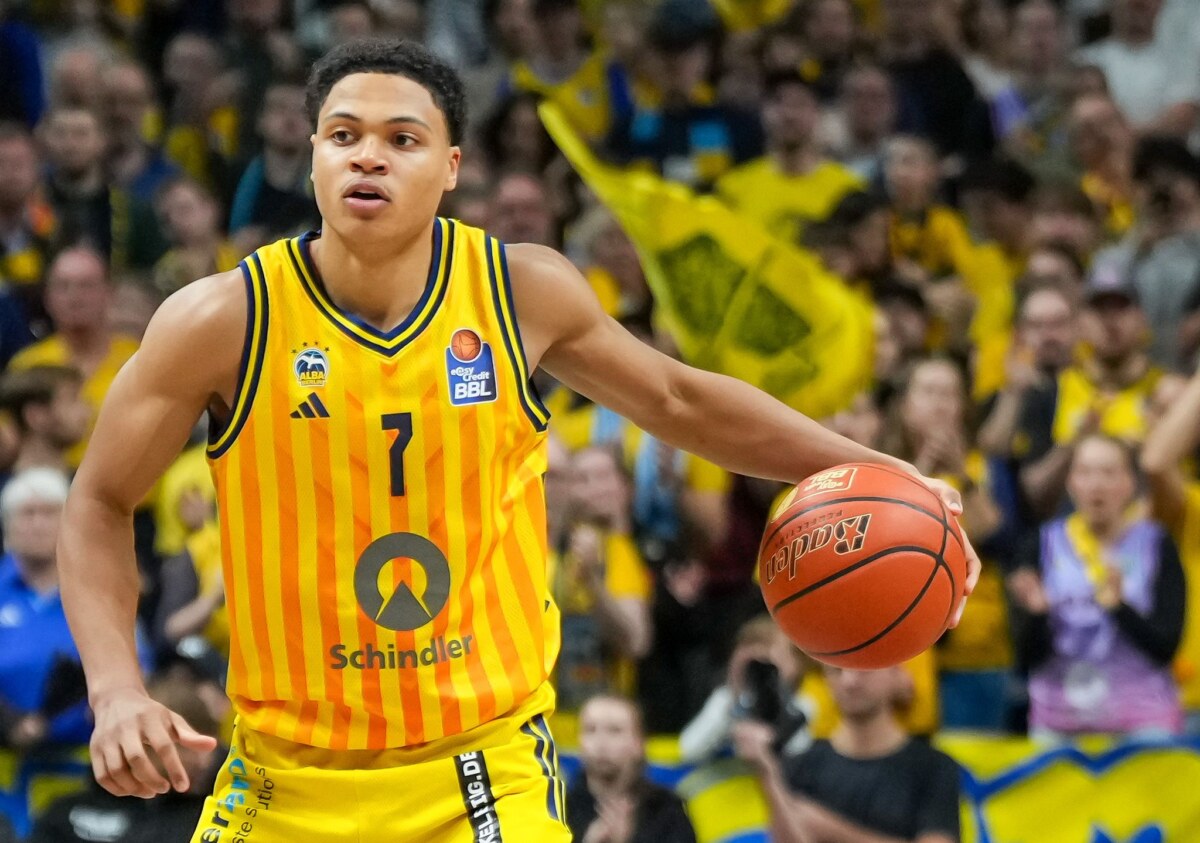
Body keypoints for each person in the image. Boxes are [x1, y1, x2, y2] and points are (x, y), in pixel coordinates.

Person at [59, 39, 977, 842]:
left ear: (452, 166)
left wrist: (884, 470)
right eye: (343, 135)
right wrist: (116, 689)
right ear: (312, 157)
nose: (368, 155)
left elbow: (680, 400)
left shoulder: (519, 293)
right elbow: (98, 500)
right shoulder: (223, 319)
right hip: (285, 773)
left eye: (402, 138)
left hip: (480, 767)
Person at [1010, 434, 1184, 738]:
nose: (1096, 484)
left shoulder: (1156, 544)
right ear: (1070, 482)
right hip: (1059, 722)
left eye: (1108, 473)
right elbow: (1024, 659)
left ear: (1130, 484)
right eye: (1085, 472)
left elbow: (1166, 647)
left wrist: (1119, 608)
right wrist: (1037, 615)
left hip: (1143, 723)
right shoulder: (1040, 544)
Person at [734, 664, 961, 843]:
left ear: (895, 672)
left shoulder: (933, 767)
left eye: (864, 669)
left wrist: (831, 830)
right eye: (837, 670)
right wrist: (767, 772)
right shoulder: (803, 763)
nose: (849, 681)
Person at [7, 246, 140, 470]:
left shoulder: (138, 358)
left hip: (129, 484)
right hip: (49, 482)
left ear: (110, 293)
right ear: (47, 297)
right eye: (63, 286)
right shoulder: (28, 364)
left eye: (86, 286)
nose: (74, 297)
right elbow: (10, 440)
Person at [566, 694, 697, 843]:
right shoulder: (558, 808)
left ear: (639, 743)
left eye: (614, 731)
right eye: (590, 730)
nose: (600, 743)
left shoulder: (667, 811)